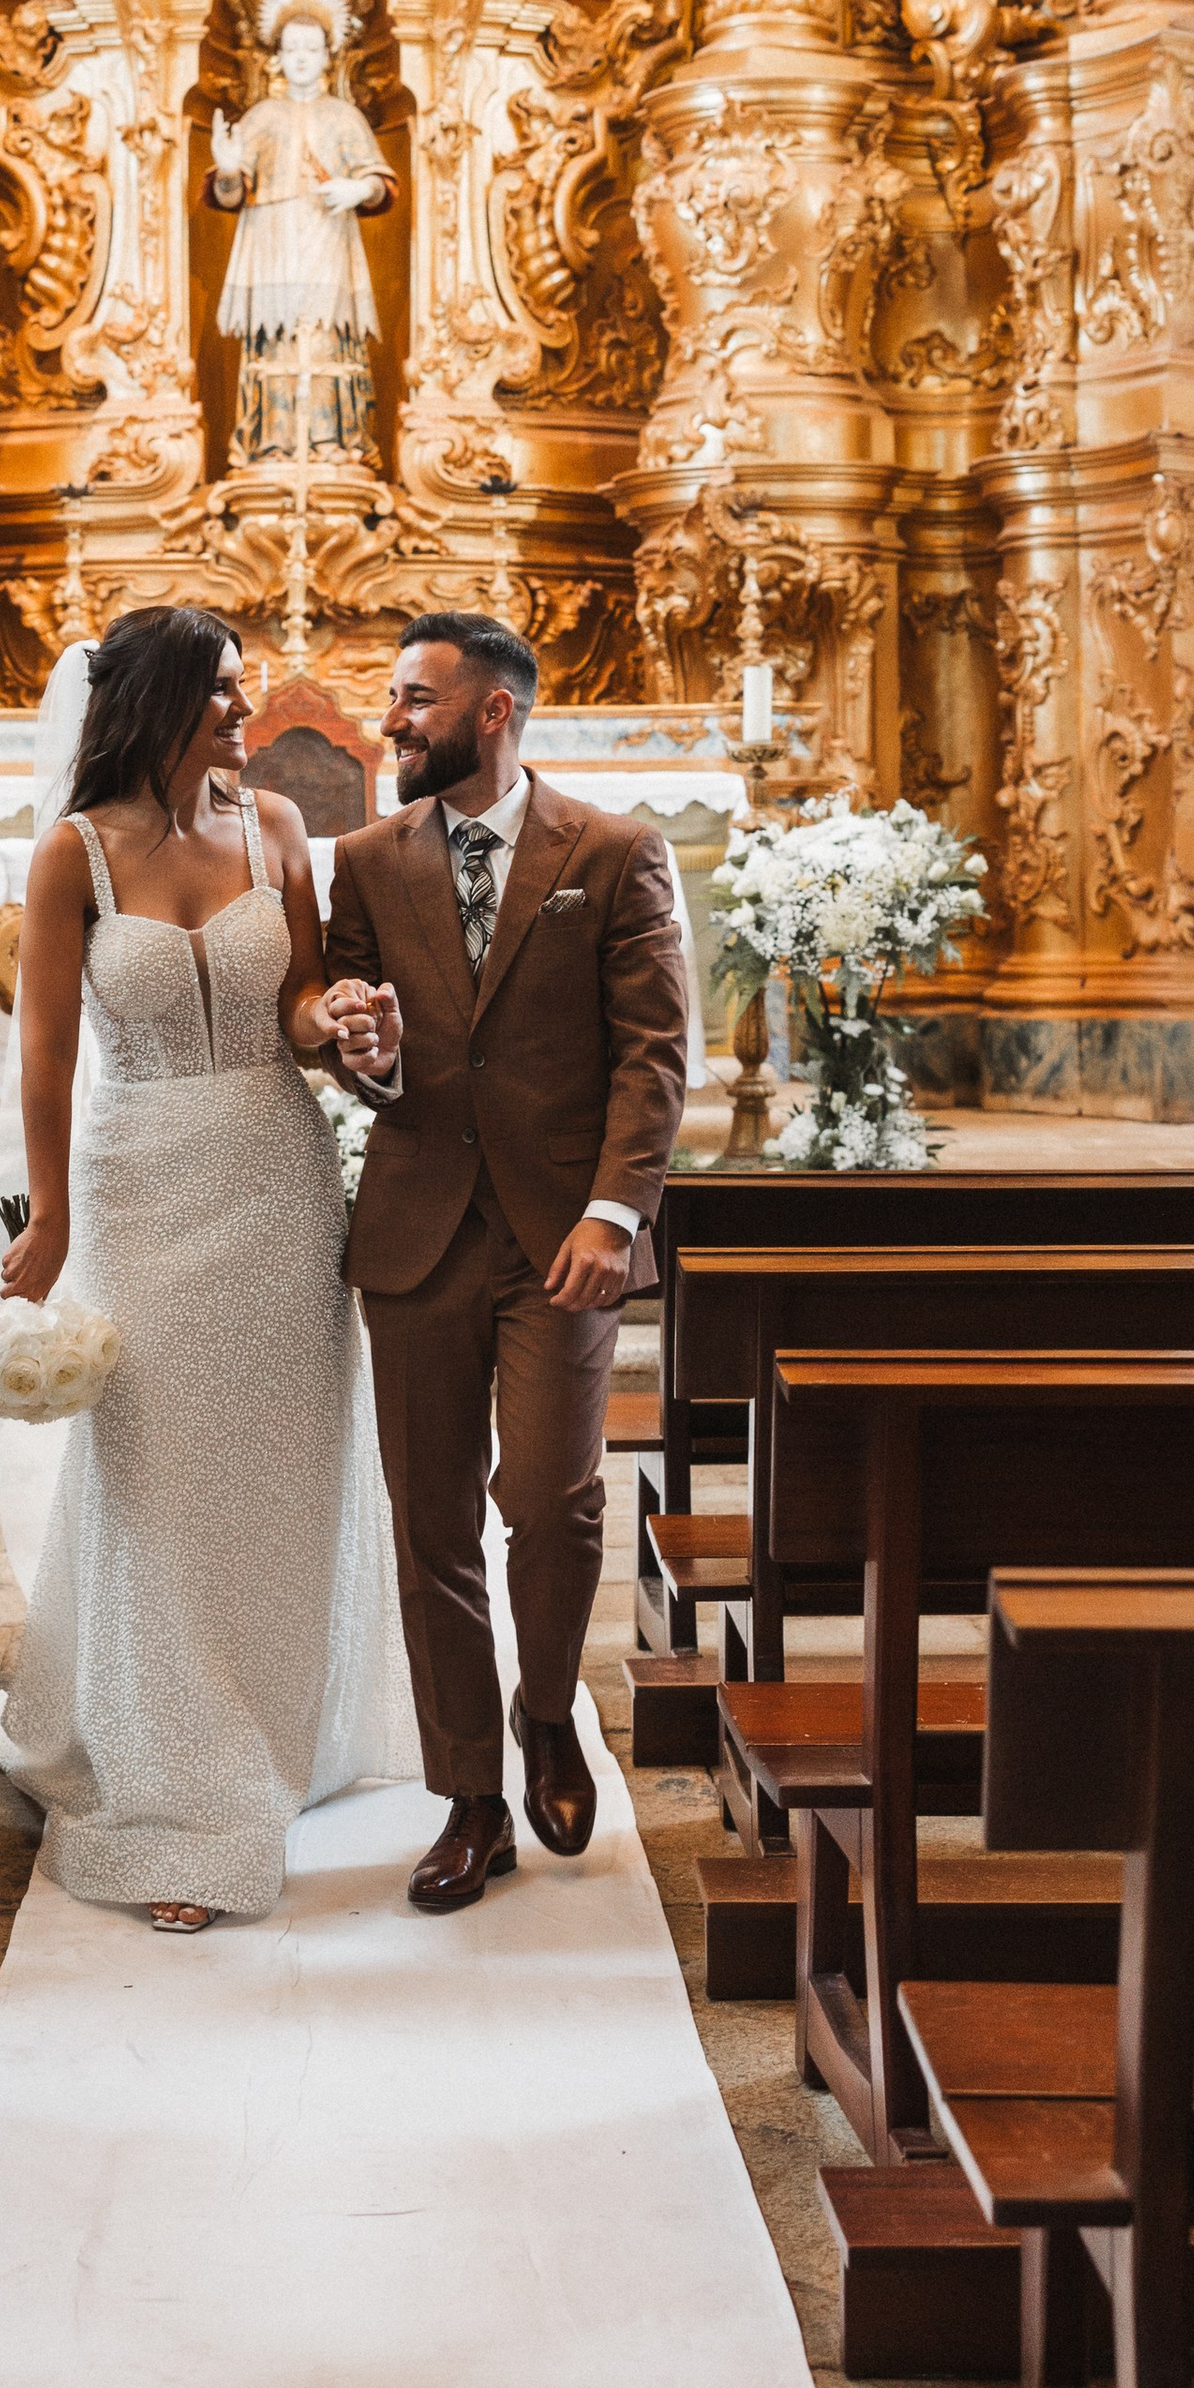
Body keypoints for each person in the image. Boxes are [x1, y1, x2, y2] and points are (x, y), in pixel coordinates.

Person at [0, 605, 416, 1928]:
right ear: (162, 697)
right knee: (162, 1474)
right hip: (139, 1180)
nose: (248, 708)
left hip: (277, 1175)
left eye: (245, 688)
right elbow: (47, 1053)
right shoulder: (74, 857)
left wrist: (331, 1014)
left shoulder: (276, 830)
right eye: (226, 690)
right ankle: (183, 1786)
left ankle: (284, 1727)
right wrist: (49, 1217)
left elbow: (290, 1008)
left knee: (286, 1463)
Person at [324, 612, 691, 1912]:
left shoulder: (616, 850)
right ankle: (470, 1796)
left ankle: (546, 1711)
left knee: (550, 1497)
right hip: (418, 1230)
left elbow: (653, 1054)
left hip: (562, 1241)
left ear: (493, 710)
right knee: (430, 1526)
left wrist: (616, 1212)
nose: (391, 721)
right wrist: (353, 1045)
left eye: (416, 698)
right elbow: (351, 1041)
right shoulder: (365, 861)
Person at [208, 0, 391, 464]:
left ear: (329, 53)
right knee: (276, 337)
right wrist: (227, 170)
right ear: (279, 56)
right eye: (292, 49)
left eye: (311, 48)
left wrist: (359, 188)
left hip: (328, 239)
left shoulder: (345, 117)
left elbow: (379, 183)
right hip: (270, 240)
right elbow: (229, 195)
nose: (302, 58)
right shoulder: (261, 117)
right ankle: (273, 441)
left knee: (328, 336)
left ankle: (331, 440)